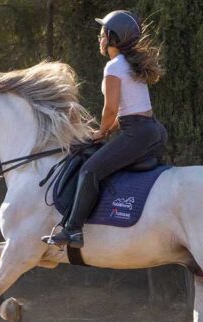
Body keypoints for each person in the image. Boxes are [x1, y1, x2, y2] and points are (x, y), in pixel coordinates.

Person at [43, 10, 167, 248]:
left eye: (102, 34)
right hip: (152, 131)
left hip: (137, 134)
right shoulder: (130, 64)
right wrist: (108, 131)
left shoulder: (114, 67)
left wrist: (101, 130)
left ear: (113, 38)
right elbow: (131, 109)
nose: (99, 38)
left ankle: (73, 230)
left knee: (89, 170)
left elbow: (110, 109)